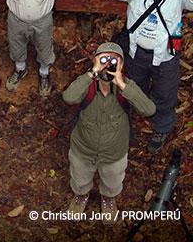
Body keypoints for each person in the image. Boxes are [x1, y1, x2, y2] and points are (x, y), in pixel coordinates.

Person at [109, 0, 193, 152]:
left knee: (165, 94)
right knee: (136, 87)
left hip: (165, 56)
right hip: (136, 53)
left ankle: (161, 128)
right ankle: (138, 112)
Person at [63, 42, 155, 225]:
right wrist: (92, 73)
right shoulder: (86, 83)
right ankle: (81, 196)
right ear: (96, 60)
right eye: (103, 59)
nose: (108, 64)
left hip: (114, 153)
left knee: (112, 182)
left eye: (113, 60)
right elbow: (69, 97)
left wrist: (121, 84)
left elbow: (149, 110)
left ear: (121, 65)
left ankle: (108, 199)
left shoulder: (126, 86)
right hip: (83, 150)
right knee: (80, 179)